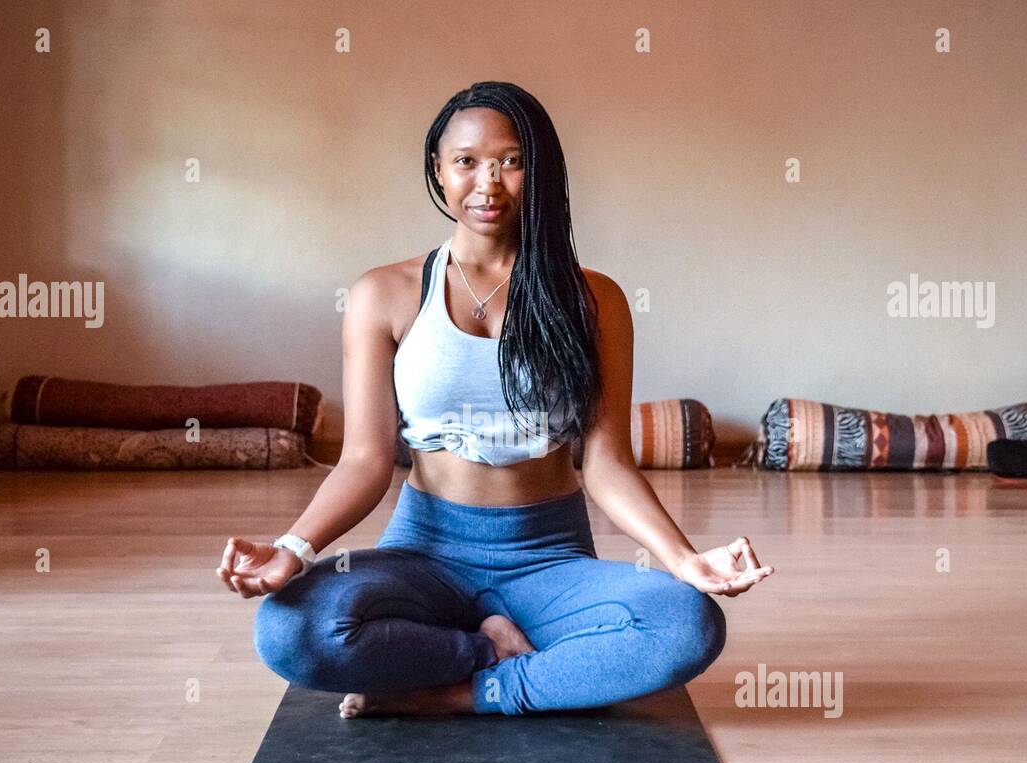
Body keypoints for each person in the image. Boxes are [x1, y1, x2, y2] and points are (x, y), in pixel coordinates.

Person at [217, 81, 774, 718]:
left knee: (686, 624)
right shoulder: (385, 293)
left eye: (512, 161)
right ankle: (487, 652)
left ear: (542, 172)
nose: (489, 183)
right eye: (466, 162)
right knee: (289, 630)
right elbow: (365, 461)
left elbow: (607, 463)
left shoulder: (596, 300)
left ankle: (460, 692)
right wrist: (293, 551)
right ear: (438, 169)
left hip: (550, 555)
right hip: (423, 552)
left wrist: (685, 560)